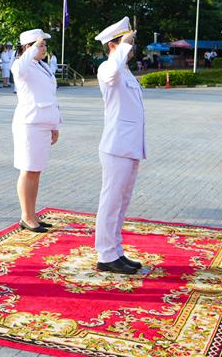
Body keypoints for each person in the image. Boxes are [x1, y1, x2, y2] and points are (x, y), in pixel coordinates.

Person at [93, 16, 146, 275]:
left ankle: (115, 250)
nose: (132, 47)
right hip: (116, 146)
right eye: (128, 42)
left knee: (121, 202)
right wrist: (123, 47)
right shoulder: (107, 68)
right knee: (111, 201)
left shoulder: (125, 70)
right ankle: (105, 254)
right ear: (114, 44)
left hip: (129, 145)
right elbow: (111, 73)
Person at [11, 29, 61, 233]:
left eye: (44, 45)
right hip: (29, 124)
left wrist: (54, 124)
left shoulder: (42, 66)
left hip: (43, 123)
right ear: (28, 47)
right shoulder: (21, 65)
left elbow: (50, 95)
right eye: (40, 45)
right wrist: (33, 48)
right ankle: (26, 216)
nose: (44, 48)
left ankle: (32, 214)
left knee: (36, 171)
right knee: (28, 170)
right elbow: (19, 68)